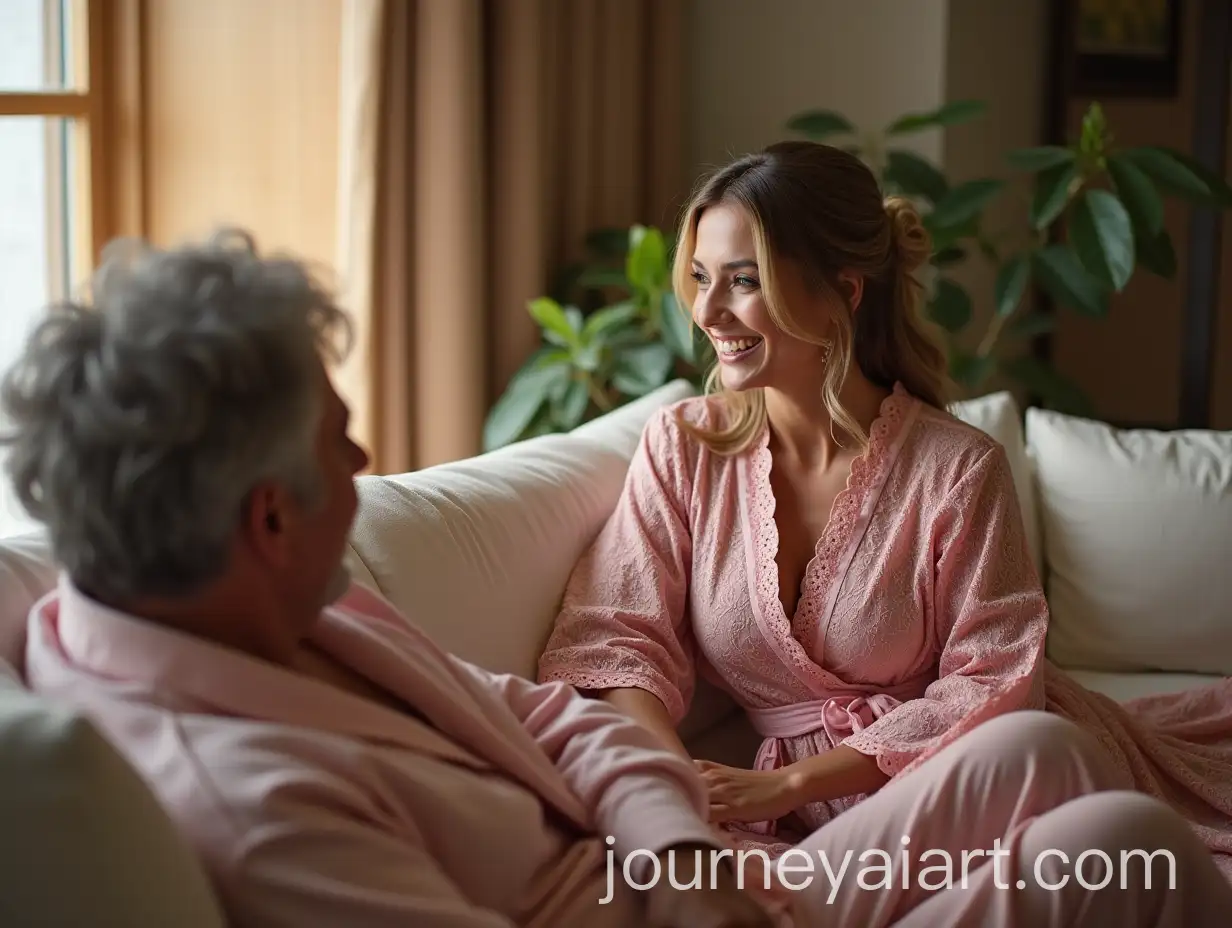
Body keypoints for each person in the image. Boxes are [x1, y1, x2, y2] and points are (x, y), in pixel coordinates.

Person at [7, 231, 1228, 928]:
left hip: (693, 876)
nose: (369, 462)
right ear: (269, 516)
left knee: (1047, 755)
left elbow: (550, 718)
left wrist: (683, 855)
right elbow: (601, 669)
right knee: (1133, 846)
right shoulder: (250, 800)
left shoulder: (234, 602)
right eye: (341, 442)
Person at [537, 141, 1232, 881]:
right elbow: (617, 638)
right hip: (780, 812)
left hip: (969, 772)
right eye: (702, 278)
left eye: (743, 281)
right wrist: (672, 788)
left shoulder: (957, 469)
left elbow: (994, 680)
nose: (707, 311)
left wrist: (790, 784)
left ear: (845, 289)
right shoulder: (684, 448)